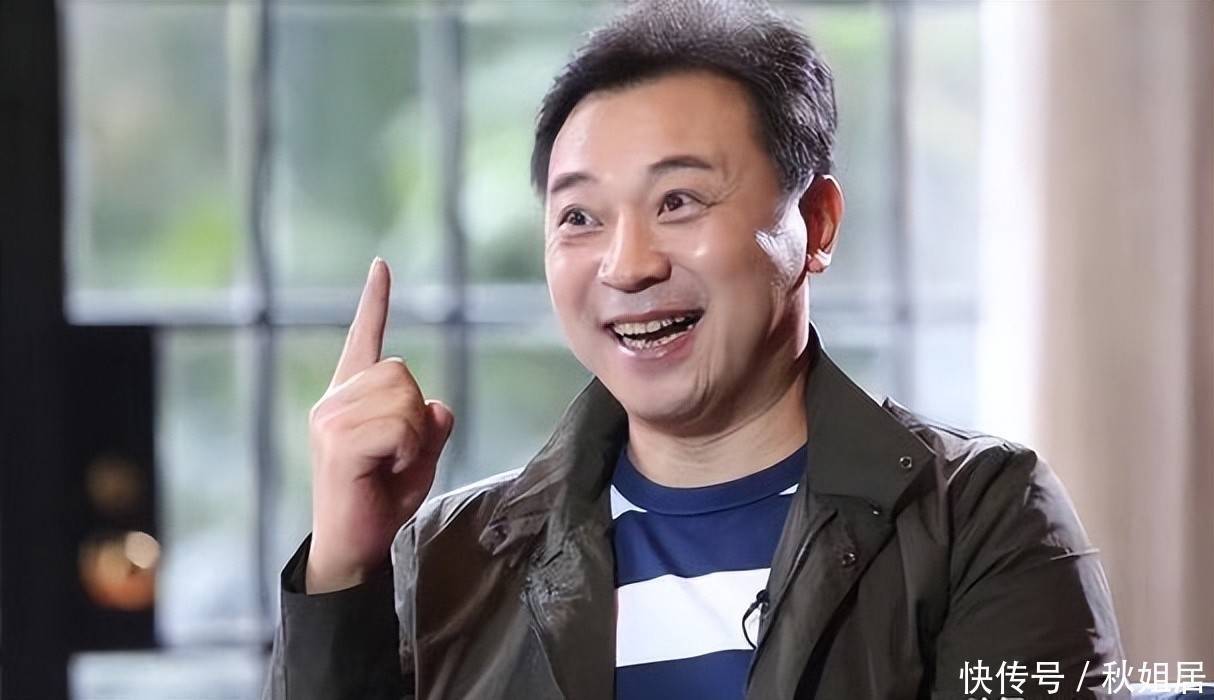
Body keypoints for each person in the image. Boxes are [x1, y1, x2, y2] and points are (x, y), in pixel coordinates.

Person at [263, 1, 1124, 698]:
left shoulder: (979, 518)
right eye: (579, 217)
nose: (627, 265)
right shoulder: (447, 558)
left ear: (815, 223)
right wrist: (343, 568)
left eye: (678, 201)